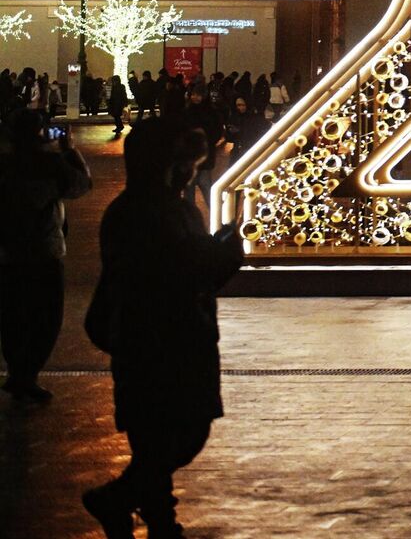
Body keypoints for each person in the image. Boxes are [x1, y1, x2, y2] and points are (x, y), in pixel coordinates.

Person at [83, 119, 244, 538]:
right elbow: (179, 270)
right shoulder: (155, 213)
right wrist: (225, 253)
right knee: (177, 432)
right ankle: (126, 503)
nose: (190, 172)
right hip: (165, 339)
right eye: (186, 163)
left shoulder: (144, 210)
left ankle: (155, 517)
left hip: (155, 338)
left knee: (157, 438)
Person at [0, 109, 93, 402]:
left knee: (13, 315)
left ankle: (17, 372)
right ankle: (27, 375)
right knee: (46, 317)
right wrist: (70, 151)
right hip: (44, 251)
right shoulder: (51, 164)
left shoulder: (5, 164)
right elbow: (82, 184)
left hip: (9, 252)